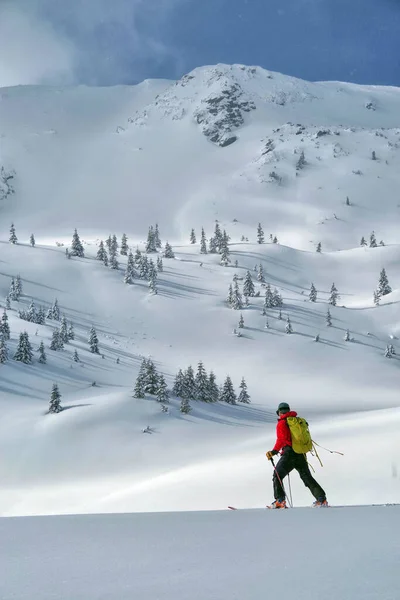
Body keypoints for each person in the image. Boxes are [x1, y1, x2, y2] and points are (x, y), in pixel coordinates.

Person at [266, 402, 328, 509]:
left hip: (289, 454)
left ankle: (280, 501)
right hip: (300, 453)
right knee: (307, 477)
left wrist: (274, 451)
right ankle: (321, 499)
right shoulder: (297, 421)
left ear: (279, 412)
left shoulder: (282, 423)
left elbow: (282, 439)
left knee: (277, 475)